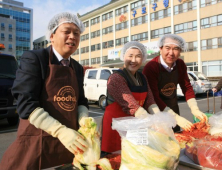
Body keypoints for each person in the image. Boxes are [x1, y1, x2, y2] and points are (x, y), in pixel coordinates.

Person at [0, 12, 89, 170]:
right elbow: (26, 104)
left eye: (77, 33)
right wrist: (60, 131)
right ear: (52, 36)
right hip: (37, 142)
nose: (72, 37)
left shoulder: (77, 67)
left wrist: (84, 120)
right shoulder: (34, 59)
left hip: (69, 145)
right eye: (67, 31)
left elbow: (81, 101)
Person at [101, 41, 161, 153]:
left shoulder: (142, 77)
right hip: (115, 129)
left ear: (142, 59)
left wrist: (159, 118)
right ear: (123, 57)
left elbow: (150, 101)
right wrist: (151, 123)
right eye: (130, 56)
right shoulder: (116, 78)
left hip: (134, 129)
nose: (134, 60)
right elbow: (131, 105)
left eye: (138, 56)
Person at [143, 34, 208, 132]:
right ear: (160, 49)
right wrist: (176, 118)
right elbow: (153, 97)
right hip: (156, 112)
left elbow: (186, 87)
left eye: (176, 49)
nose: (171, 53)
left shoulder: (180, 64)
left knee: (178, 138)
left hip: (173, 108)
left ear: (180, 51)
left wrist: (194, 108)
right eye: (167, 48)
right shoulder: (151, 67)